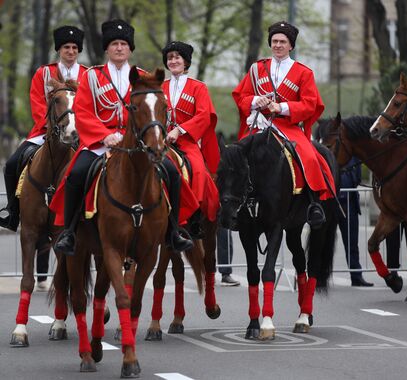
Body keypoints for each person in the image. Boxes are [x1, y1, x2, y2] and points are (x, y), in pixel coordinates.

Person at [51, 19, 193, 255]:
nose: (119, 48)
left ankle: (174, 231)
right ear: (107, 48)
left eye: (124, 44)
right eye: (114, 44)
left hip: (137, 144)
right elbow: (83, 112)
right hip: (100, 142)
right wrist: (104, 135)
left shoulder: (144, 76)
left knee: (172, 173)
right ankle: (70, 231)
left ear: (130, 49)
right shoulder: (93, 76)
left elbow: (153, 112)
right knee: (75, 174)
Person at [232, 20, 336, 229]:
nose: (278, 45)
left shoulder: (303, 73)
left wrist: (282, 108)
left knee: (310, 157)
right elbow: (241, 97)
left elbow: (310, 105)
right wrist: (255, 101)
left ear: (291, 45)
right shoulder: (256, 69)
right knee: (235, 156)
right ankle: (234, 203)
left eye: (282, 41)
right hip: (259, 124)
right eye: (274, 41)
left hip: (288, 126)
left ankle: (314, 204)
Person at [0, 25, 87, 232]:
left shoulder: (87, 74)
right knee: (11, 164)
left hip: (81, 133)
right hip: (46, 132)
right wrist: (52, 126)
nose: (71, 51)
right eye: (67, 47)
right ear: (59, 49)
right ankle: (13, 211)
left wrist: (80, 128)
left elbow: (89, 105)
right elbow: (38, 103)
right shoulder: (44, 72)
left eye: (75, 48)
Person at [160, 41, 220, 239]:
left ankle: (193, 217)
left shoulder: (198, 87)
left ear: (186, 61)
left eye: (177, 57)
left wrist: (180, 130)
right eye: (170, 58)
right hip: (161, 141)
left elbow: (203, 116)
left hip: (187, 142)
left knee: (199, 171)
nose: (173, 61)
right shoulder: (160, 87)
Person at [338, 157, 373, 286]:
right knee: (324, 242)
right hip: (332, 201)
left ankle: (356, 275)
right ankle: (320, 276)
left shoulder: (352, 156)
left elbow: (356, 176)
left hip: (350, 202)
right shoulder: (327, 148)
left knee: (352, 242)